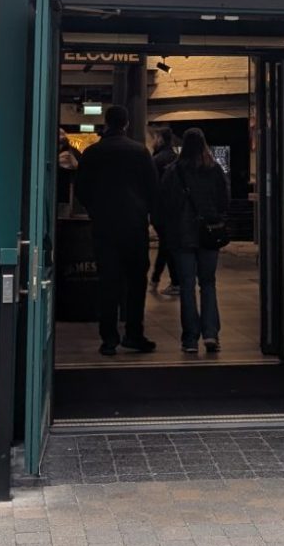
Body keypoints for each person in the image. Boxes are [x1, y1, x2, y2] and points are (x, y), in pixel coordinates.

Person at [75, 105, 158, 357]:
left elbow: (81, 189)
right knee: (136, 282)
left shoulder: (92, 153)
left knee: (108, 283)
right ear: (127, 123)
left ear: (106, 123)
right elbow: (152, 189)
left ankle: (108, 338)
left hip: (104, 227)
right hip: (134, 226)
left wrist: (95, 210)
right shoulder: (140, 152)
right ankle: (134, 332)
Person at [157, 126, 230, 356]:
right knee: (208, 284)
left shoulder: (173, 171)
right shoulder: (215, 170)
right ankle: (211, 333)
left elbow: (164, 205)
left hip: (182, 237)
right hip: (208, 234)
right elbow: (224, 202)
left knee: (187, 287)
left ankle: (190, 338)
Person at [148, 125, 179, 294]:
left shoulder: (157, 160)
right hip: (174, 210)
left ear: (160, 139)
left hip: (160, 209)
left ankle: (169, 281)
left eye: (154, 138)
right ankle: (162, 279)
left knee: (167, 246)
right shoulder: (175, 158)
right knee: (167, 245)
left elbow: (152, 186)